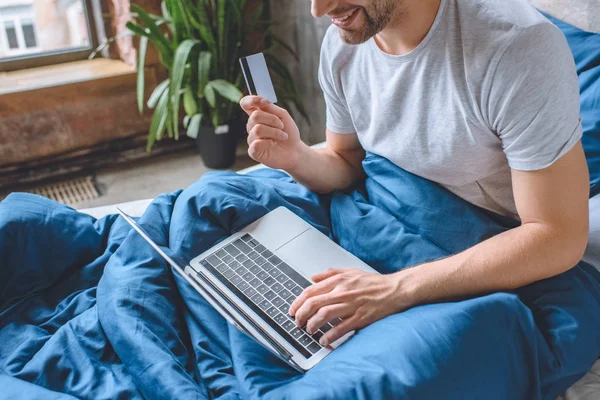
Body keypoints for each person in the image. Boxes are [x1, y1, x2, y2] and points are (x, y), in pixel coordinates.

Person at [239, 0, 589, 350]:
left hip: (468, 247)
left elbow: (556, 236)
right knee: (207, 204)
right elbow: (346, 159)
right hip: (375, 212)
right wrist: (295, 156)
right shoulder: (345, 40)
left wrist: (394, 289)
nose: (319, 10)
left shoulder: (516, 47)